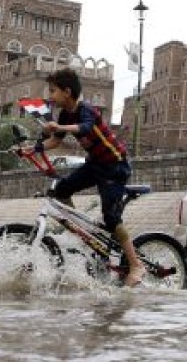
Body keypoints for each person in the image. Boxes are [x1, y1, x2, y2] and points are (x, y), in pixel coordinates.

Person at [32, 68, 145, 286]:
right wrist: (32, 148)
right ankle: (81, 231)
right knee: (62, 190)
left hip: (115, 166)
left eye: (53, 91)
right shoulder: (65, 114)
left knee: (111, 219)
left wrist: (58, 126)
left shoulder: (87, 110)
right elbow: (55, 141)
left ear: (67, 92)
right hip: (95, 165)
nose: (50, 96)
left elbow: (84, 128)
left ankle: (136, 265)